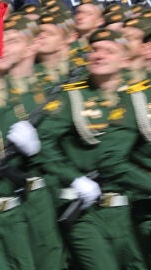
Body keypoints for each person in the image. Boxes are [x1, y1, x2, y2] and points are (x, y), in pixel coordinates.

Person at [33, 28, 150, 270]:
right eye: (95, 50)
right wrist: (73, 178)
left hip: (125, 210)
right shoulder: (72, 97)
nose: (99, 55)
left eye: (109, 50)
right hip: (84, 211)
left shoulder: (136, 97)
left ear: (125, 59)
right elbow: (43, 143)